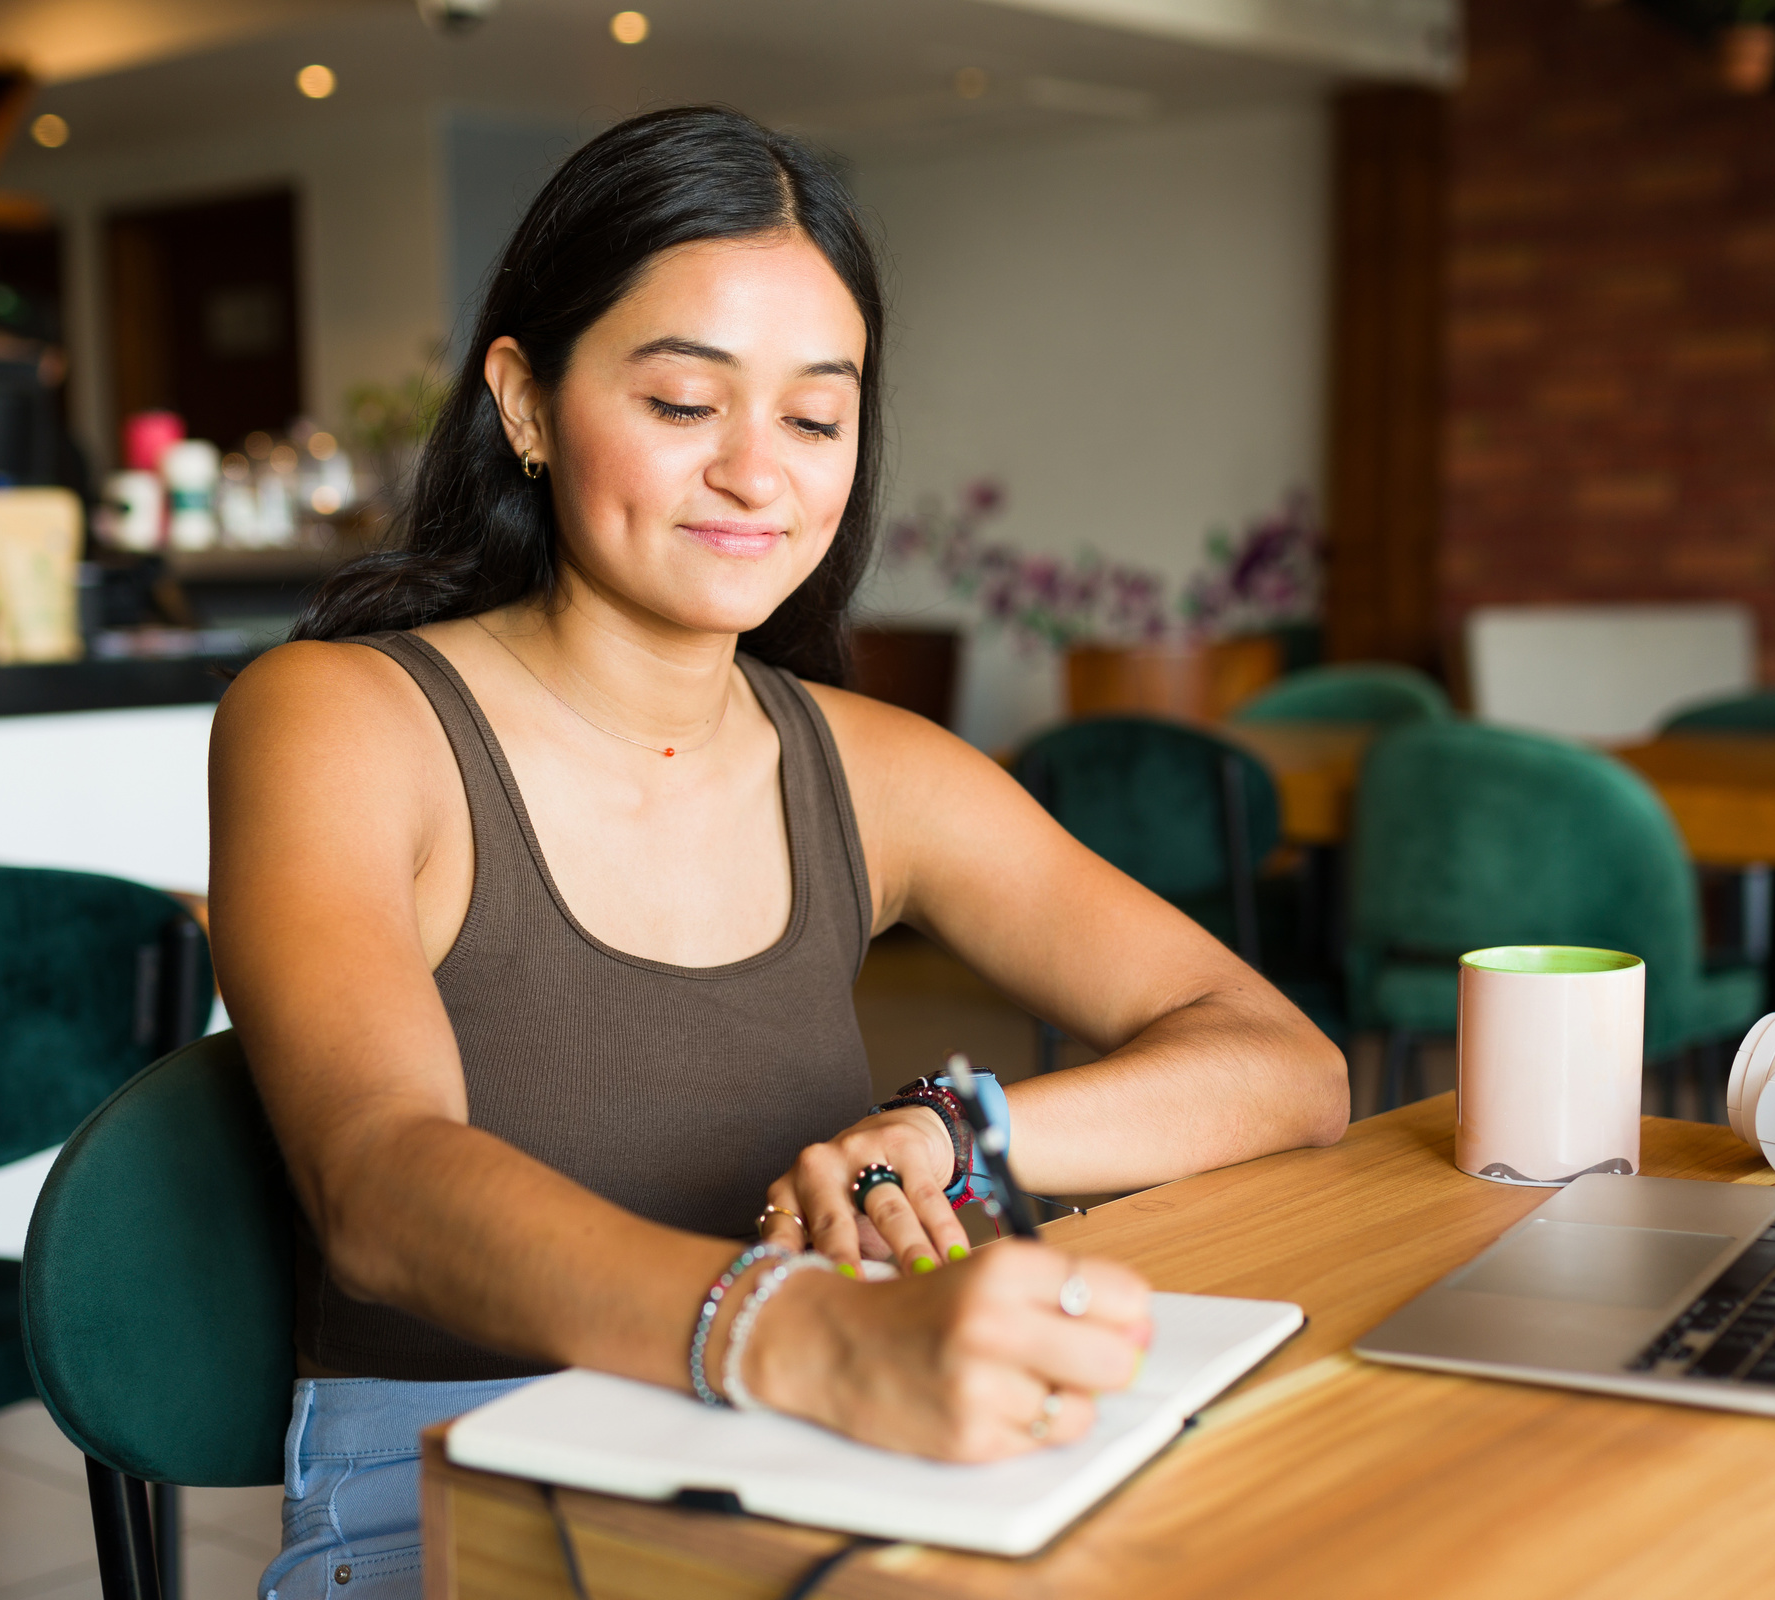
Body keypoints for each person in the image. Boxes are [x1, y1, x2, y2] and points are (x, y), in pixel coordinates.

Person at [209, 106, 1347, 1599]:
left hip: (806, 1449)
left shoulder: (874, 767)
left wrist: (950, 1132)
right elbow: (377, 1180)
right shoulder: (340, 720)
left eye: (816, 417)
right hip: (453, 1471)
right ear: (526, 403)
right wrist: (803, 1336)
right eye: (686, 402)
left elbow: (1285, 1065)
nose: (761, 474)